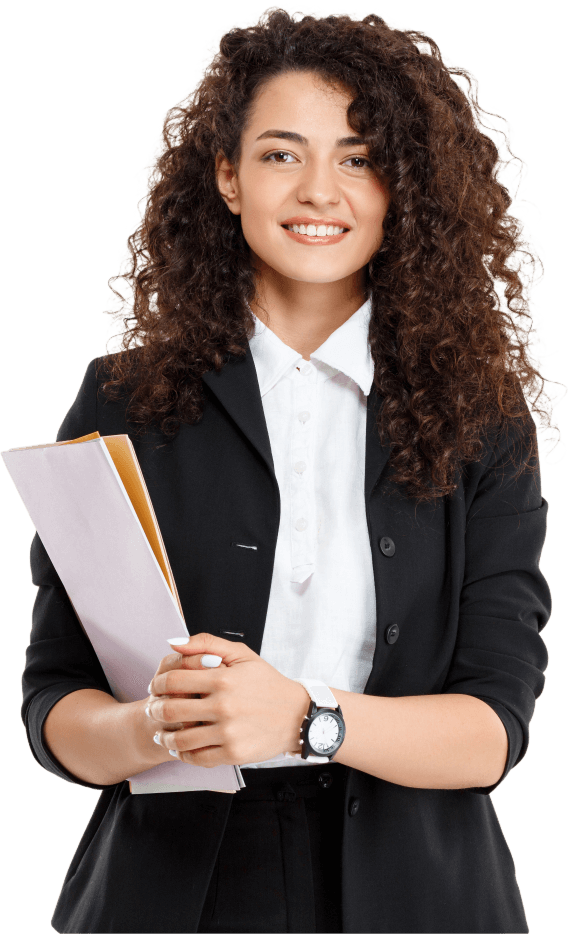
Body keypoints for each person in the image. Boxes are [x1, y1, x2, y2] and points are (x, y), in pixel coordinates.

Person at [20, 7, 558, 934]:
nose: (320, 191)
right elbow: (54, 700)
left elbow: (492, 728)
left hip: (420, 897)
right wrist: (160, 726)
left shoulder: (481, 417)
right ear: (227, 177)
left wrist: (306, 718)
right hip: (170, 895)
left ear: (405, 187)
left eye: (358, 157)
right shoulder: (123, 398)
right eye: (280, 154)